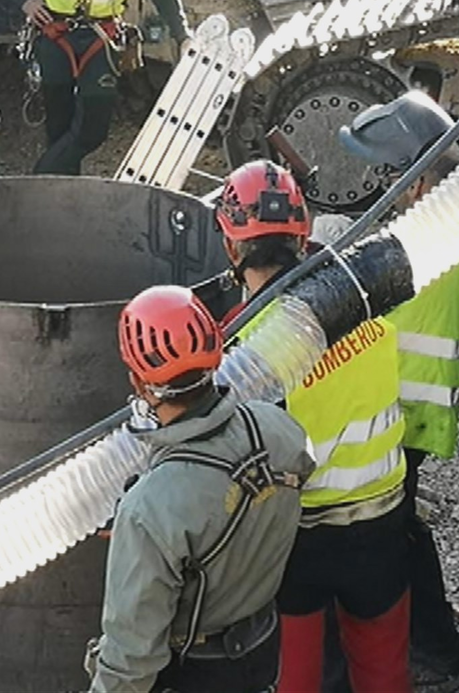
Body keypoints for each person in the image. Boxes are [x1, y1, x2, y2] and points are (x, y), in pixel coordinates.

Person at [215, 160, 413, 693]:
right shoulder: (366, 302)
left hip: (298, 539)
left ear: (232, 247)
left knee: (295, 676)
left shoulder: (247, 351)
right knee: (384, 669)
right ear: (303, 235)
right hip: (382, 519)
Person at [337, 89, 459, 680]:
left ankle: (432, 654)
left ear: (419, 183)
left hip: (393, 419)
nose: (376, 188)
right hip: (412, 420)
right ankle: (430, 649)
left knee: (381, 538)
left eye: (386, 175)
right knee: (397, 530)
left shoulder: (425, 257)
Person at [87, 285, 316, 692]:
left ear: (140, 384)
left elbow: (132, 657)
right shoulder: (279, 430)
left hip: (195, 673)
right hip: (261, 649)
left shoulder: (148, 511)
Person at [9, 0, 188, 175]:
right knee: (58, 128)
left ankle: (36, 185)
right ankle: (61, 200)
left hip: (102, 35)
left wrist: (182, 34)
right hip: (55, 31)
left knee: (93, 130)